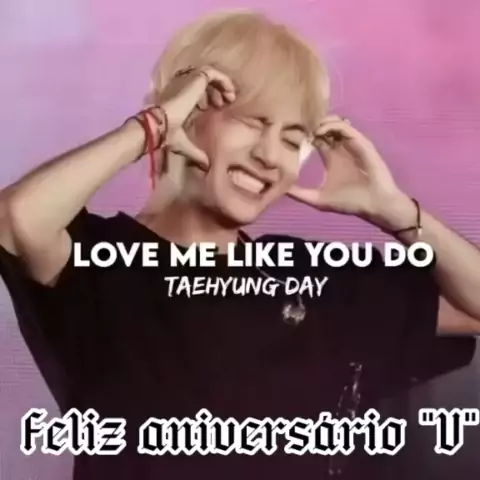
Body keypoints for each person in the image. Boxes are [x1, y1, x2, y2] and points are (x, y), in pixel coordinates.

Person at [0, 9, 478, 480]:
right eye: (251, 120)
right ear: (188, 113)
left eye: (292, 140)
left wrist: (396, 212)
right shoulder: (100, 263)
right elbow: (16, 219)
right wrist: (151, 127)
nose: (270, 155)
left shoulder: (306, 275)